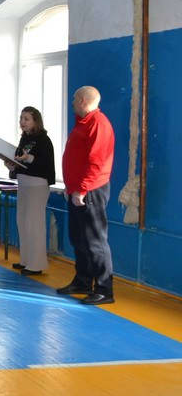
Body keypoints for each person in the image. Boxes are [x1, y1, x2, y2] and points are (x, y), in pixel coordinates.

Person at [59, 86, 115, 305]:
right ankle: (82, 281)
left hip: (91, 190)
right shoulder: (83, 123)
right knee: (78, 238)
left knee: (94, 240)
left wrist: (82, 189)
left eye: (74, 98)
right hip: (77, 190)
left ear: (83, 100)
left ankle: (104, 289)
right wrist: (71, 187)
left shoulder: (98, 124)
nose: (72, 101)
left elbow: (97, 162)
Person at [2, 106, 56, 277]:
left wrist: (29, 158)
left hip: (37, 185)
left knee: (34, 224)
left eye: (26, 119)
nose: (22, 122)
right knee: (23, 222)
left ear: (35, 121)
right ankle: (26, 259)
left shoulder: (44, 140)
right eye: (21, 118)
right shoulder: (24, 139)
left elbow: (44, 163)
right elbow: (20, 162)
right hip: (24, 184)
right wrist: (12, 165)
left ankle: (36, 264)